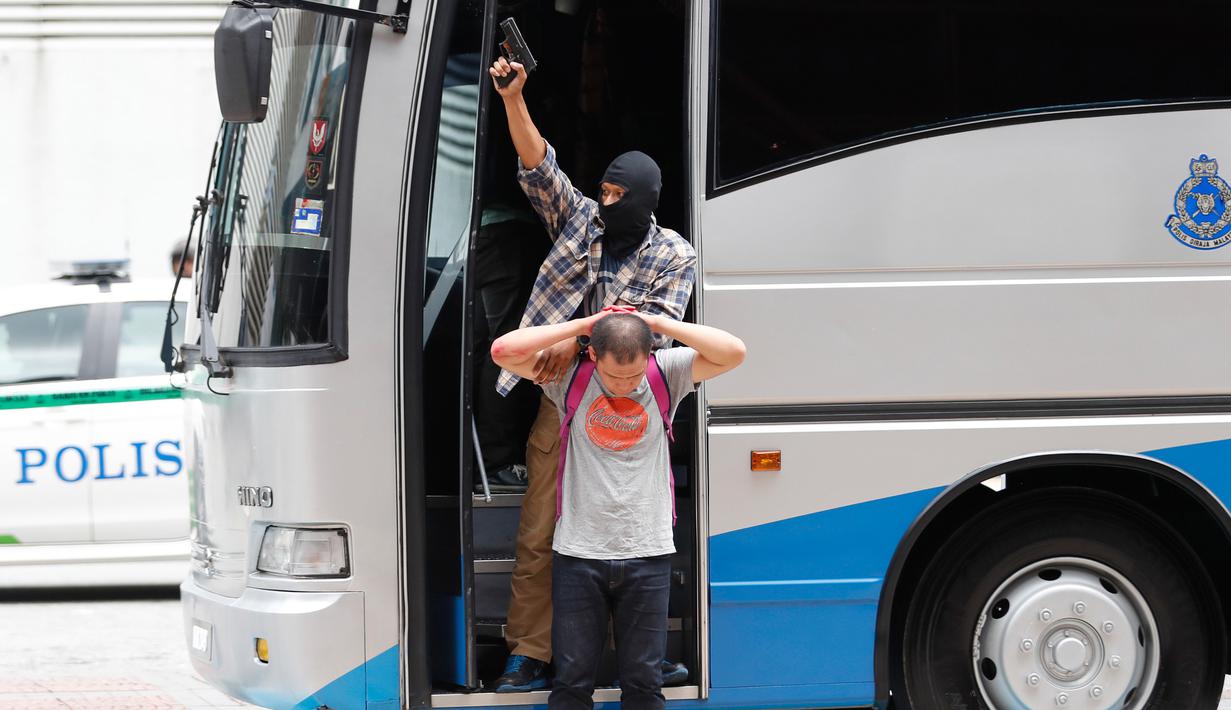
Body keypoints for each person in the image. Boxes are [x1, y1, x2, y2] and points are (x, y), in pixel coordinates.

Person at [487, 55, 697, 692]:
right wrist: (513, 99)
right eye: (601, 192)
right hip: (565, 403)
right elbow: (539, 168)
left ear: (643, 200)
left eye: (615, 195)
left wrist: (572, 344)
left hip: (636, 410)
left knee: (634, 538)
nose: (604, 203)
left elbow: (648, 334)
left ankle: (641, 655)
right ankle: (529, 651)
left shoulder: (674, 254)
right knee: (539, 532)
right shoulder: (582, 223)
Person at [491, 310, 746, 709]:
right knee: (572, 681)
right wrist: (583, 325)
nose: (625, 385)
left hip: (648, 553)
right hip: (578, 554)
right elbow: (504, 350)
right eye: (614, 376)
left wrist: (656, 325)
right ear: (593, 357)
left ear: (649, 357)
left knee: (644, 683)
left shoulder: (667, 373)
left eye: (633, 375)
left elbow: (734, 352)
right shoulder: (569, 377)